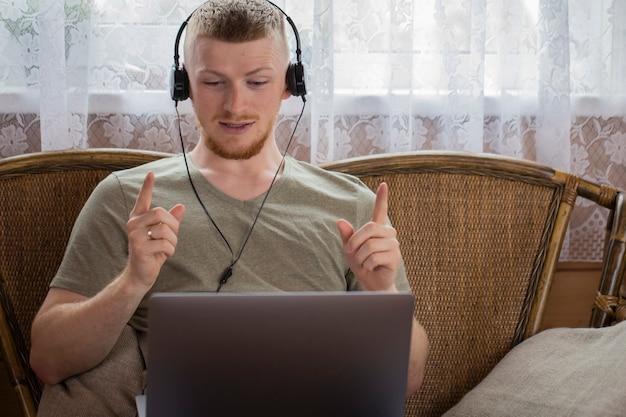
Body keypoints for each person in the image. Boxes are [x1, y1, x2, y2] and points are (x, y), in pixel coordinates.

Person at [29, 0, 429, 414]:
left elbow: (409, 381)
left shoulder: (354, 204)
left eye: (256, 82)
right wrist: (132, 281)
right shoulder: (126, 198)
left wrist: (384, 294)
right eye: (214, 82)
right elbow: (48, 360)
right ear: (182, 86)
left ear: (290, 84)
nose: (235, 105)